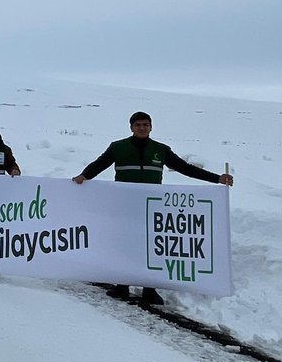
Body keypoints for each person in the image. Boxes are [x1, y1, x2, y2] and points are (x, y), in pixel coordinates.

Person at [73, 111, 233, 305]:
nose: (142, 128)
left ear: (151, 127)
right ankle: (122, 285)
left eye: (146, 124)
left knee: (151, 247)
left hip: (152, 207)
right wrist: (84, 176)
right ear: (131, 127)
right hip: (125, 205)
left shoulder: (161, 149)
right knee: (125, 245)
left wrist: (217, 178)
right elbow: (99, 165)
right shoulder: (118, 147)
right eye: (138, 125)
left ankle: (149, 289)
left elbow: (185, 168)